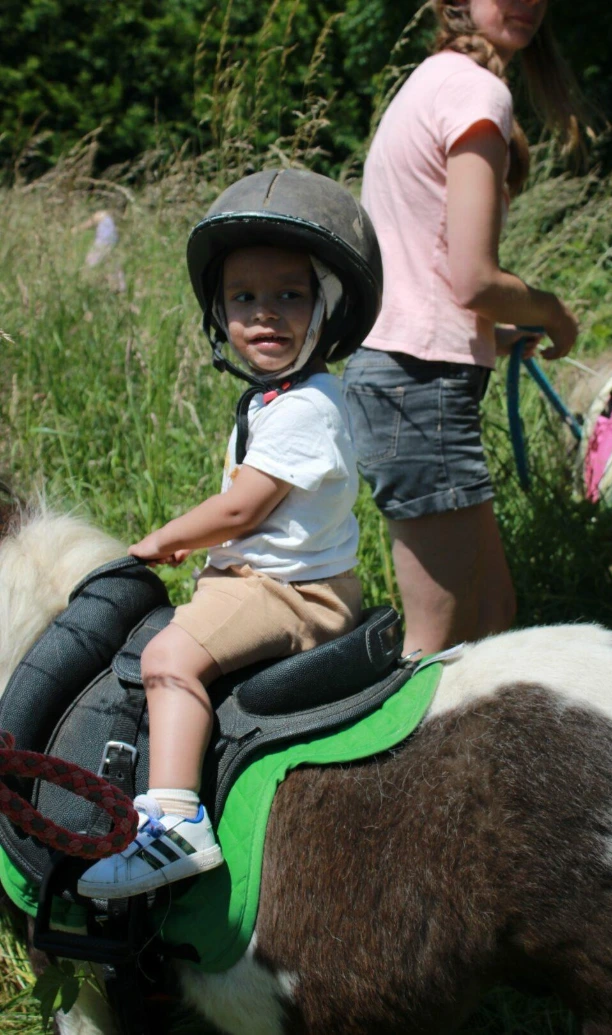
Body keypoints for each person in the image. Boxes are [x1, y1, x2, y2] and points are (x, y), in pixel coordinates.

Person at [78, 169, 383, 899]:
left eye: (290, 296)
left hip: (289, 593)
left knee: (169, 657)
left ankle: (175, 820)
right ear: (220, 313)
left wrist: (163, 537)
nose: (264, 314)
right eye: (243, 298)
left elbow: (244, 509)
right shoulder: (280, 398)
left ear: (328, 308)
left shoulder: (305, 406)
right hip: (275, 578)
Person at [343, 0, 586, 657]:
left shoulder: (433, 79)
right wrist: (553, 312)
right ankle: (392, 730)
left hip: (407, 373)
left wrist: (492, 340)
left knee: (492, 616)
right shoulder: (477, 90)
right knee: (438, 645)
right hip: (417, 384)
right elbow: (474, 281)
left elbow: (420, 272)